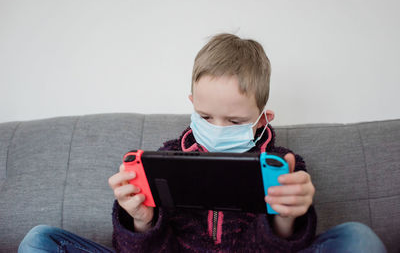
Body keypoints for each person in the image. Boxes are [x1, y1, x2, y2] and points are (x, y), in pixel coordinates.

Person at [19, 33, 386, 252]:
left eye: (236, 121)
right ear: (192, 106)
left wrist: (286, 219)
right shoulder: (165, 159)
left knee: (357, 237)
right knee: (41, 240)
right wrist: (142, 222)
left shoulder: (283, 165)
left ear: (263, 119)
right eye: (207, 117)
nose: (219, 128)